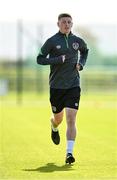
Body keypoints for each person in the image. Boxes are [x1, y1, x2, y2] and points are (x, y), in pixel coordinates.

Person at [37, 13, 88, 164]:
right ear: (58, 24)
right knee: (58, 119)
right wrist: (57, 60)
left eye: (69, 22)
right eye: (64, 22)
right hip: (56, 87)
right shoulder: (52, 41)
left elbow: (85, 51)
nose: (67, 24)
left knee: (71, 119)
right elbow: (39, 59)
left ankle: (69, 154)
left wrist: (81, 64)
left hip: (73, 85)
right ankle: (53, 125)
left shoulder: (77, 41)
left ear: (72, 24)